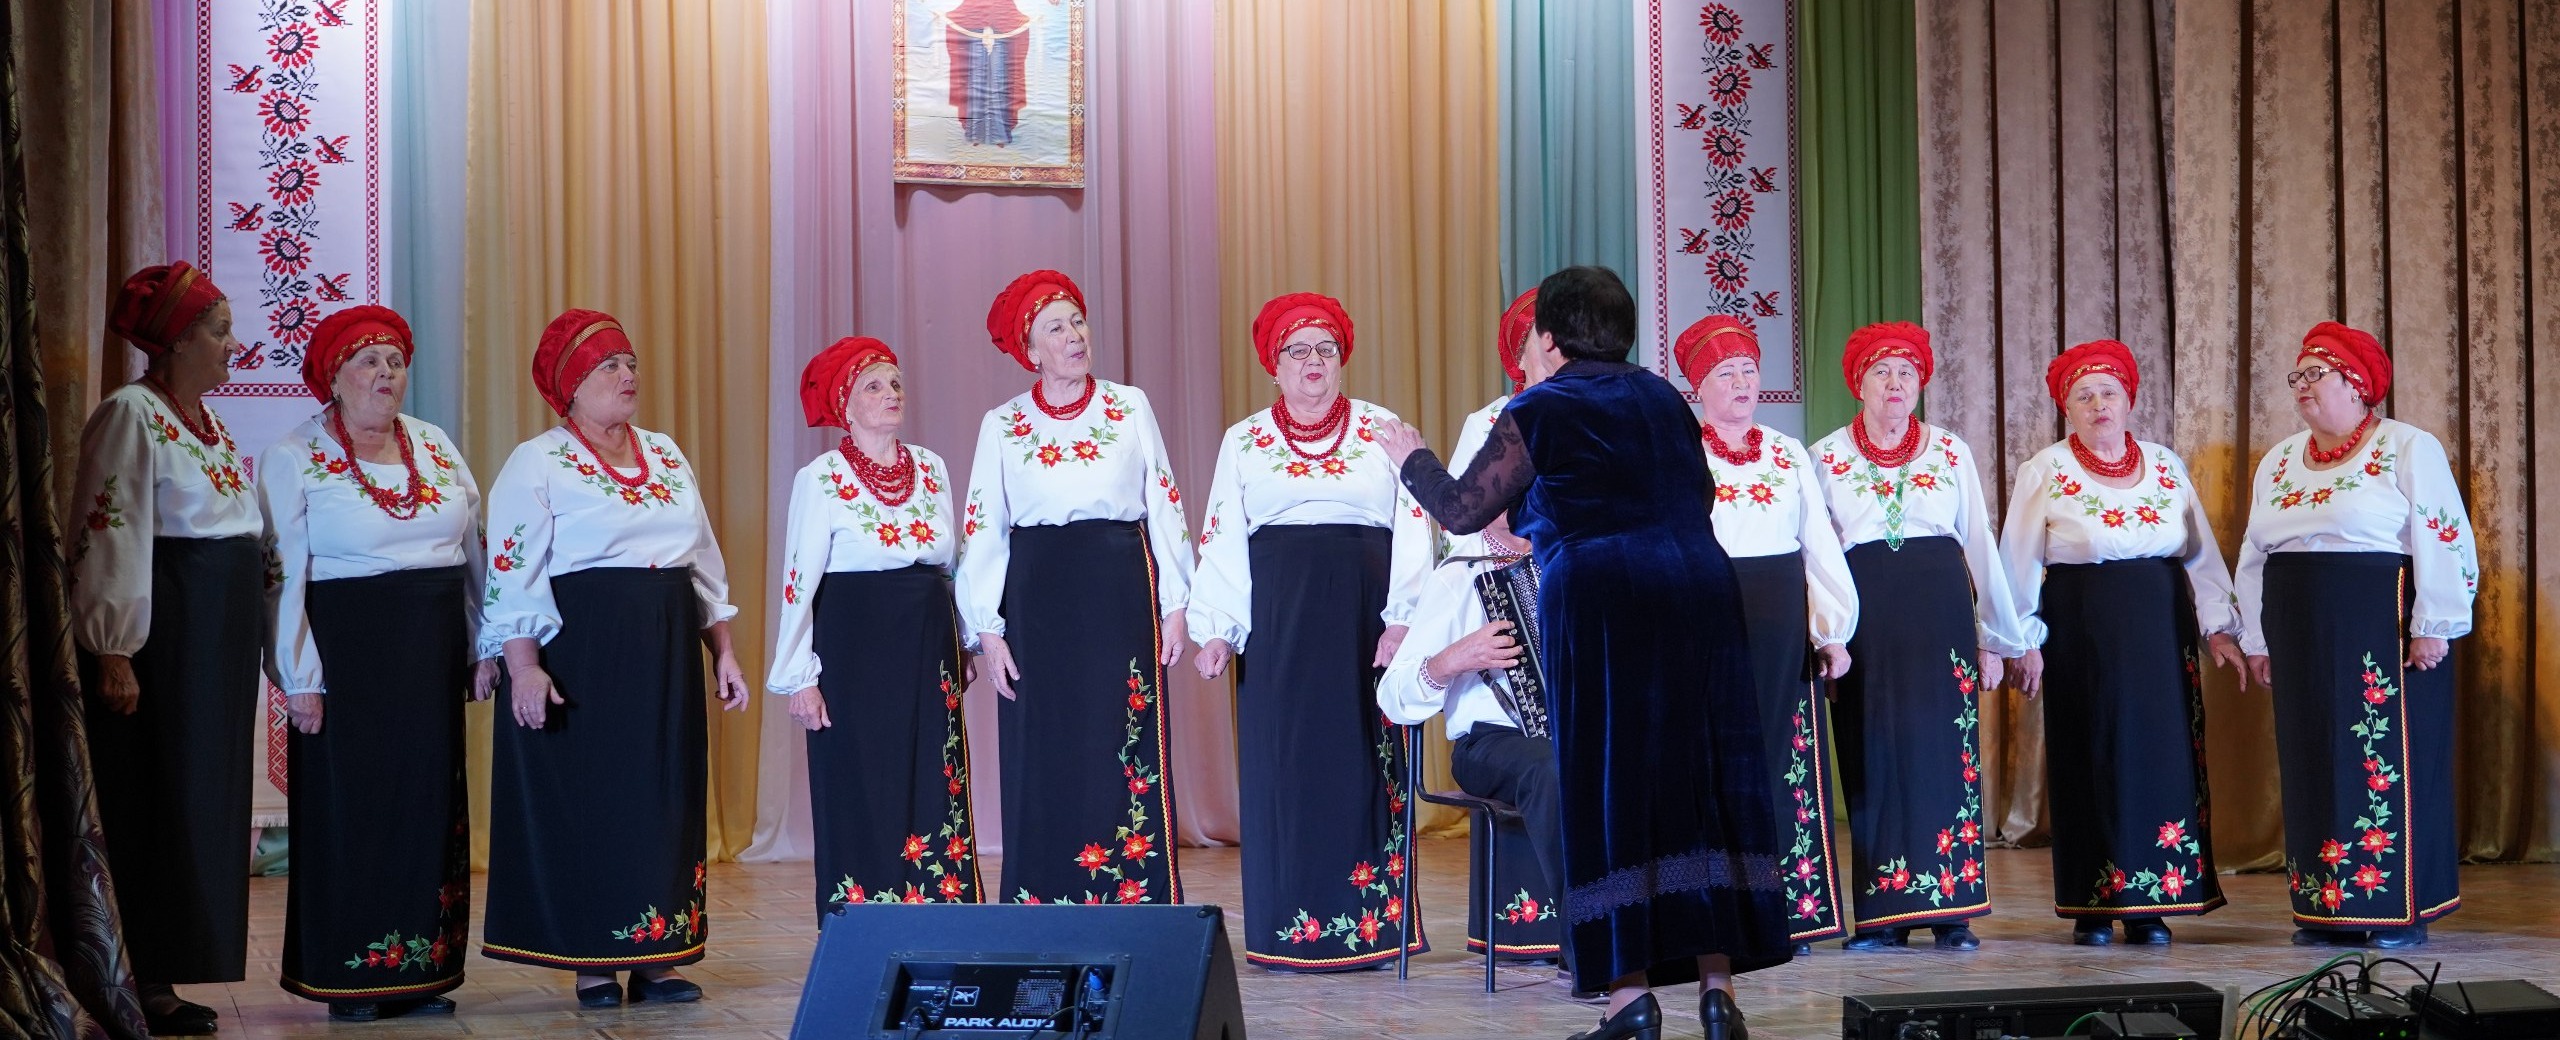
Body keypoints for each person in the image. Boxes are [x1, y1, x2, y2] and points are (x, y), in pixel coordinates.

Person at [1380, 265, 1789, 1040]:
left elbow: (1464, 510)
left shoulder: (1540, 407)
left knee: (1611, 787)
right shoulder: (1664, 398)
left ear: (1548, 337)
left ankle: (1628, 1001)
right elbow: (1699, 495)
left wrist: (1413, 459)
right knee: (1699, 780)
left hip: (1606, 598)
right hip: (1701, 588)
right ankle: (1717, 993)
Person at [479, 308, 751, 1006]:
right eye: (609, 365)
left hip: (665, 648)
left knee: (664, 794)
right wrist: (524, 666)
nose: (628, 374)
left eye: (630, 362)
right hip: (583, 651)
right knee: (594, 798)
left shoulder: (665, 453)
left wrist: (722, 650)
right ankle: (592, 959)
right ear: (572, 383)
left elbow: (702, 560)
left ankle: (658, 954)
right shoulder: (538, 461)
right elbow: (512, 571)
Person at [1188, 293, 1431, 972]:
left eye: (1325, 348)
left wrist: (1402, 619)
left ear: (1342, 359)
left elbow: (1417, 523)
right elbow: (1222, 536)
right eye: (1297, 350)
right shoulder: (1243, 440)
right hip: (1280, 627)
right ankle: (1285, 930)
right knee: (1284, 768)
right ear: (1275, 366)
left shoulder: (1383, 428)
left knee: (1362, 767)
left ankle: (1371, 930)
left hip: (1364, 621)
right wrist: (1218, 630)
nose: (1313, 360)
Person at [262, 305, 493, 1020]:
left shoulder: (434, 444)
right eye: (368, 361)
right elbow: (281, 577)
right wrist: (300, 678)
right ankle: (350, 978)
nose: (386, 374)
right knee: (352, 810)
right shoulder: (294, 455)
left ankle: (420, 971)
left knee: (428, 807)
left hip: (430, 652)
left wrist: (482, 643)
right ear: (334, 377)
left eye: (395, 361)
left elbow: (473, 552)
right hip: (348, 654)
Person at [954, 271, 1192, 906]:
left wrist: (1176, 604)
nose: (1074, 336)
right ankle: (1044, 900)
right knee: (1045, 742)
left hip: (1119, 590)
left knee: (1121, 735)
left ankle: (1132, 897)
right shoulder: (1003, 423)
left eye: (1078, 321)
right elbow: (983, 527)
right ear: (1030, 350)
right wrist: (987, 630)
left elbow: (1164, 503)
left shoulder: (1129, 405)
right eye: (1055, 328)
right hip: (1037, 601)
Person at [2235, 322, 2475, 949]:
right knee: (2314, 757)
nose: (2302, 386)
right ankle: (2327, 908)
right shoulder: (2280, 459)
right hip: (2298, 624)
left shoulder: (2406, 446)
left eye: (2316, 374)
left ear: (2357, 385)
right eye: (2297, 375)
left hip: (2381, 619)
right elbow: (2254, 552)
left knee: (2384, 758)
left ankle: (2399, 909)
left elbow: (2444, 534)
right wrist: (2255, 636)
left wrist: (2435, 623)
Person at [70, 262, 263, 1036]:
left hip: (215, 643)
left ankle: (180, 957)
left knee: (204, 798)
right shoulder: (131, 414)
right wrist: (113, 649)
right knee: (159, 797)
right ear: (178, 340)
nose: (232, 344)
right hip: (169, 641)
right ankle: (145, 975)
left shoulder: (206, 423)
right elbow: (109, 529)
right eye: (219, 331)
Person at [1998, 340, 2240, 946]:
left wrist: (2218, 625)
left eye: (2108, 392)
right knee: (2092, 752)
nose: (2098, 404)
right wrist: (2022, 639)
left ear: (2129, 400)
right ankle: (2093, 902)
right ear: (2067, 409)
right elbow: (2017, 561)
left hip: (2160, 626)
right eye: (2083, 396)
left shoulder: (2164, 464)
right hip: (2082, 627)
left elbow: (2200, 554)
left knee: (2161, 754)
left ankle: (2152, 903)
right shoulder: (2045, 469)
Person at [1806, 322, 2028, 952]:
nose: (1895, 383)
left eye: (1906, 372)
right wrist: (1826, 636)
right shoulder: (1824, 456)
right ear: (1859, 384)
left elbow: (1979, 541)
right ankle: (1884, 916)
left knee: (1945, 754)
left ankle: (1954, 910)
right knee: (1872, 754)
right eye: (1882, 372)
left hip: (1940, 618)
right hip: (1865, 620)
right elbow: (1814, 555)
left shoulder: (1950, 451)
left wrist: (1994, 637)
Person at [768, 337, 982, 915]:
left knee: (933, 772)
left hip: (927, 642)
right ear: (845, 404)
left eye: (895, 383)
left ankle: (938, 911)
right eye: (873, 386)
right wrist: (800, 676)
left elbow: (952, 562)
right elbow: (798, 582)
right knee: (862, 776)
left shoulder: (931, 467)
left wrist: (964, 638)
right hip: (854, 647)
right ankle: (862, 920)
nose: (891, 394)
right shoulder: (821, 478)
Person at [1675, 314, 1858, 955]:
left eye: (1749, 370)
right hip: (1707, 609)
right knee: (1712, 758)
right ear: (1699, 386)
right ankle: (1715, 913)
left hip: (1779, 614)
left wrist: (1832, 630)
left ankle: (1784, 913)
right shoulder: (1680, 450)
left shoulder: (1786, 452)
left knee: (1778, 759)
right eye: (1726, 373)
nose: (1742, 383)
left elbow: (1818, 545)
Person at [1378, 512, 1570, 974]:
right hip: (1488, 743)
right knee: (1551, 768)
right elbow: (1393, 696)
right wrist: (1454, 659)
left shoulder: (1571, 558)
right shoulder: (1458, 575)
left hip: (1577, 733)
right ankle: (1591, 943)